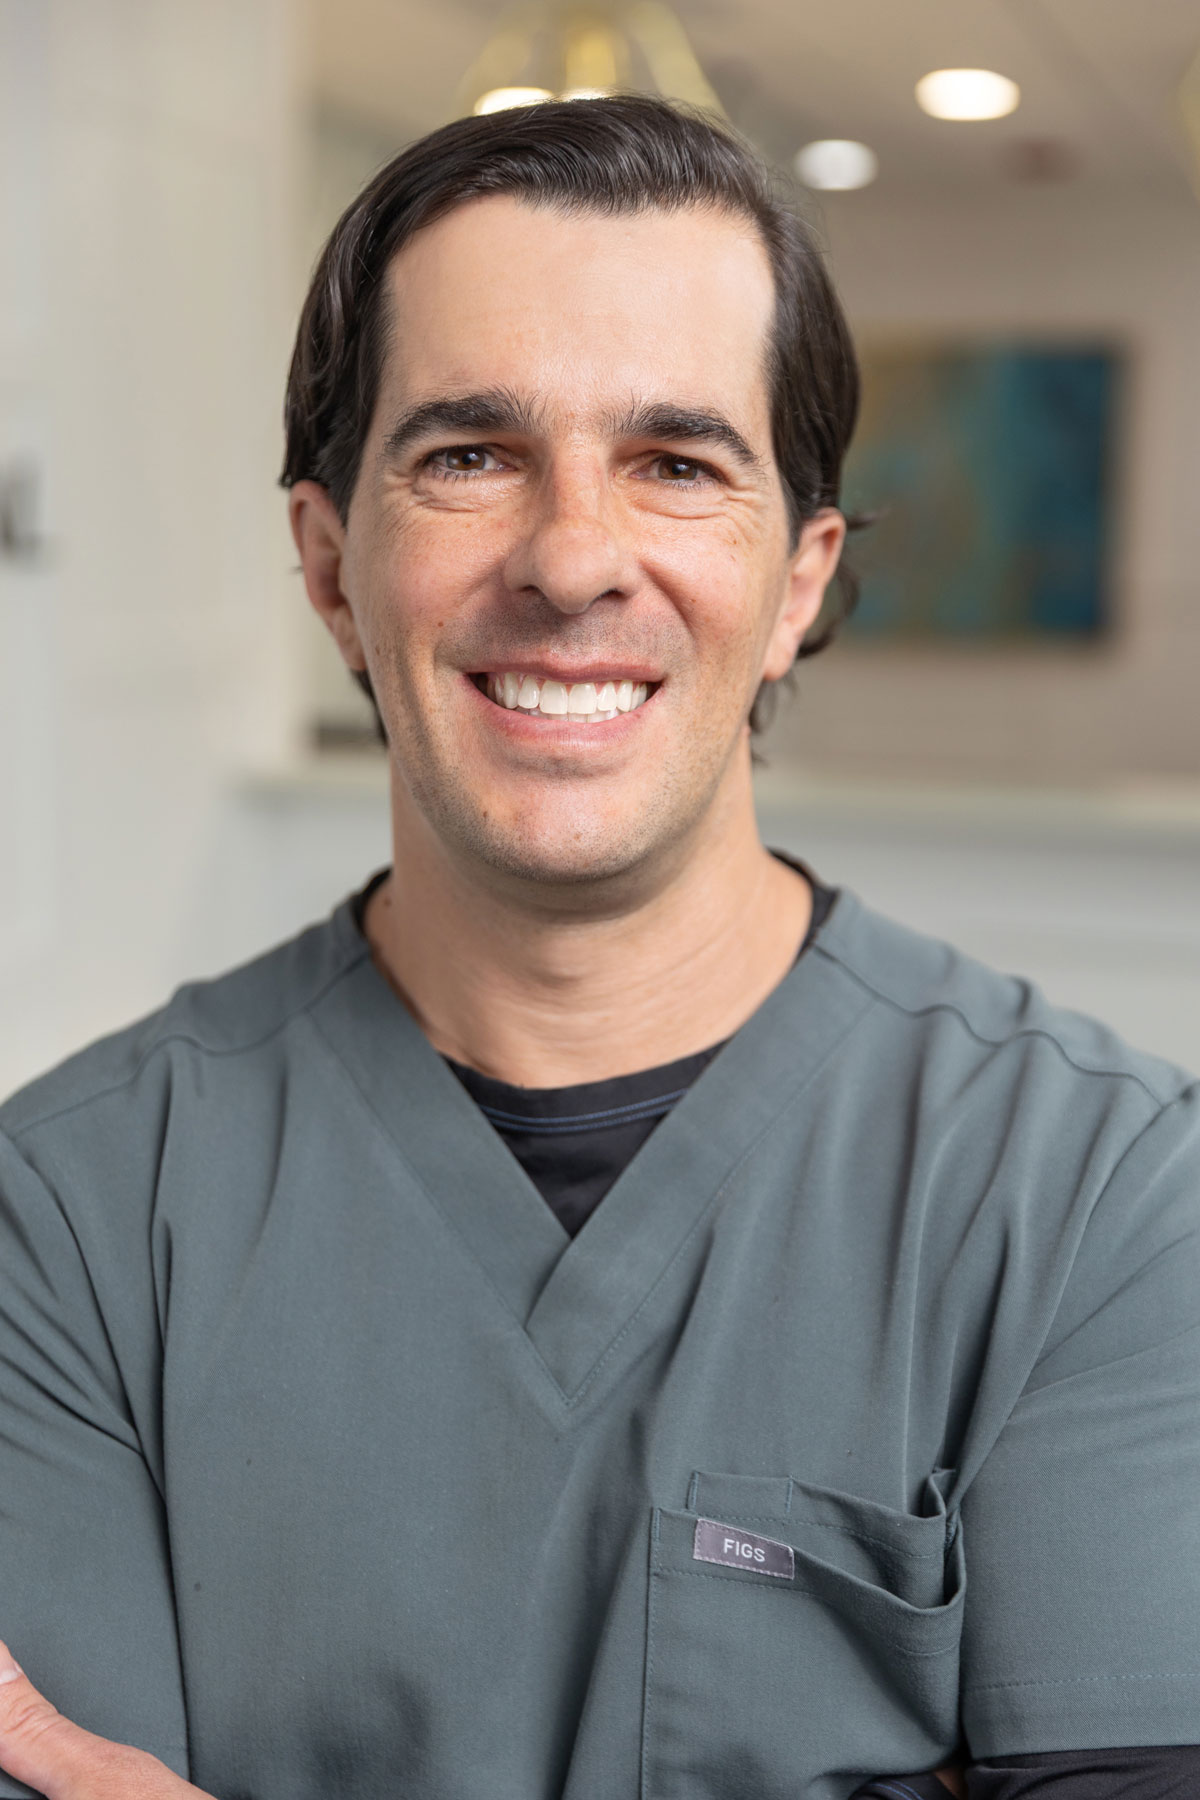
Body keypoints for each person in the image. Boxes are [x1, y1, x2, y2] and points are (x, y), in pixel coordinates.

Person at [0, 96, 1197, 1800]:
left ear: (798, 579)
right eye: (471, 455)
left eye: (677, 464)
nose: (572, 559)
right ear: (335, 568)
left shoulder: (1101, 1202)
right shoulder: (68, 1224)